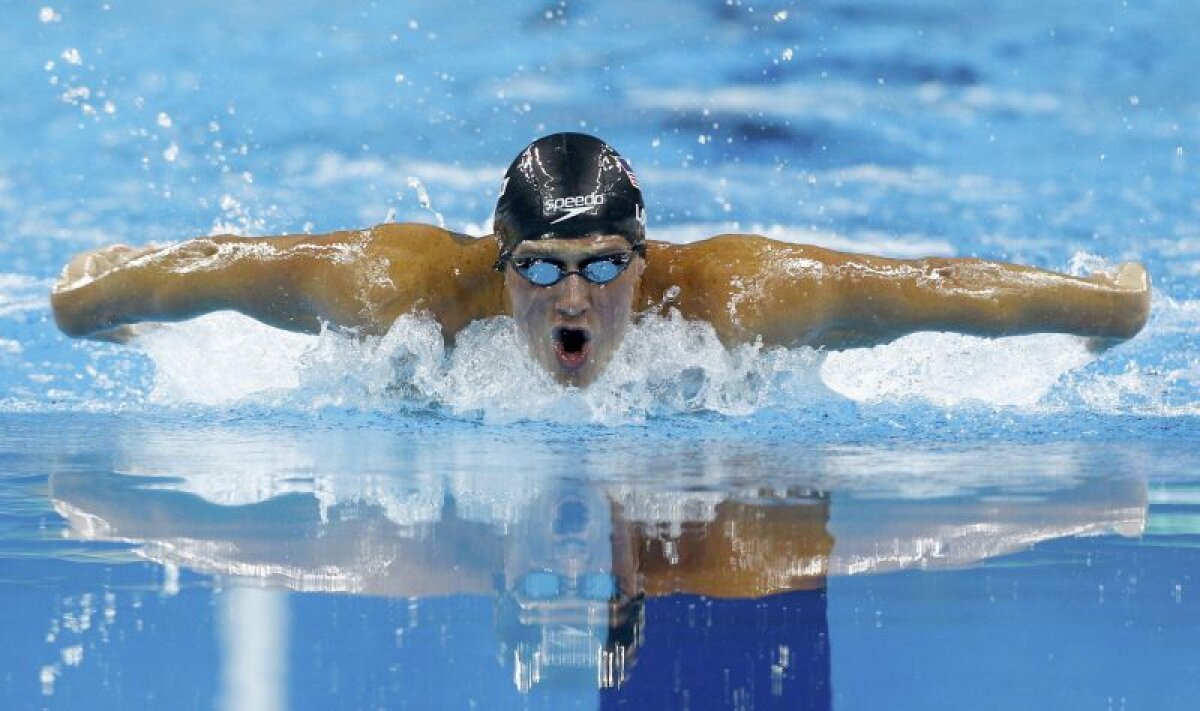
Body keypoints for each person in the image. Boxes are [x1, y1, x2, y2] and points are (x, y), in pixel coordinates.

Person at [50, 132, 1151, 387]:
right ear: (498, 258)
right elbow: (226, 266)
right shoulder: (403, 290)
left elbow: (930, 291)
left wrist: (1104, 310)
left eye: (603, 266)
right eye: (540, 269)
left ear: (646, 254)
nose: (573, 297)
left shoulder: (735, 297)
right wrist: (92, 298)